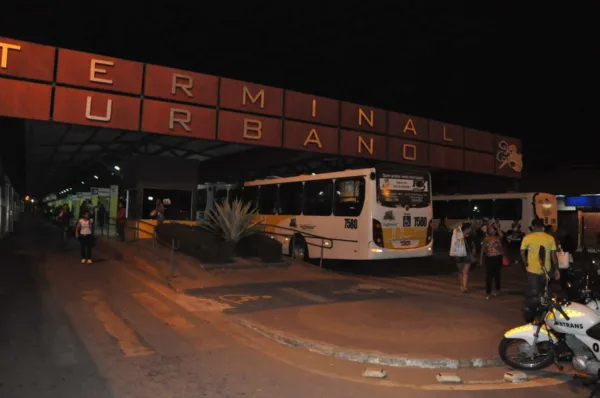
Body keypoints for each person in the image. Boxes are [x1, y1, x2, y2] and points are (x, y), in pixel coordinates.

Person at [520, 218, 560, 297]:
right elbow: (554, 256)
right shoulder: (550, 238)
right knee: (545, 291)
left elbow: (522, 252)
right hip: (546, 270)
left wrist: (525, 264)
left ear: (532, 226)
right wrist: (556, 269)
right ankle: (544, 305)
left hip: (532, 269)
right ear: (542, 227)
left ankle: (535, 305)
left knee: (535, 291)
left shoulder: (527, 238)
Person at [480, 221, 505, 299]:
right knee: (489, 276)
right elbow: (482, 249)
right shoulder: (486, 238)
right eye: (490, 229)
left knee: (497, 275)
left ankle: (497, 290)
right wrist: (480, 259)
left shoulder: (497, 238)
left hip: (497, 258)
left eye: (492, 229)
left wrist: (497, 228)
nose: (491, 230)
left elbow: (502, 235)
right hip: (489, 258)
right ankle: (488, 292)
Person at [454, 222, 476, 293]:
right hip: (459, 255)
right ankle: (462, 285)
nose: (470, 229)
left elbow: (473, 246)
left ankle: (465, 287)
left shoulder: (471, 237)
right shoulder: (459, 235)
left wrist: (473, 253)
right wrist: (459, 228)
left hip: (467, 255)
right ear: (466, 228)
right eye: (469, 228)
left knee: (465, 272)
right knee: (460, 272)